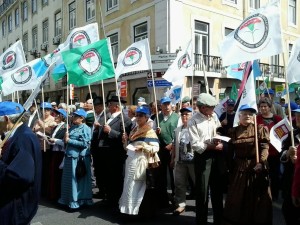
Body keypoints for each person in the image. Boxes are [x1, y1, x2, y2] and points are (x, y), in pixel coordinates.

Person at [223, 104, 272, 225]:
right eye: (244, 114)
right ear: (239, 116)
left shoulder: (260, 129)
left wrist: (261, 162)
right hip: (239, 167)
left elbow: (264, 147)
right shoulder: (233, 131)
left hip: (256, 166)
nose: (248, 116)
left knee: (258, 198)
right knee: (238, 197)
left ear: (254, 116)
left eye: (250, 114)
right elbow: (229, 152)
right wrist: (229, 168)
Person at [0, 101, 42, 225]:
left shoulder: (23, 138)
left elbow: (19, 176)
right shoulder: (21, 134)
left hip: (16, 207)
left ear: (6, 119)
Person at [188, 93, 225, 225]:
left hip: (217, 156)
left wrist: (218, 136)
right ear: (203, 108)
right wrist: (212, 147)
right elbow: (195, 144)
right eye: (211, 107)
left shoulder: (214, 116)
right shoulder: (193, 121)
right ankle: (201, 220)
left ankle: (219, 220)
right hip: (203, 157)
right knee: (202, 191)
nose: (214, 109)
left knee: (217, 190)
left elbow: (218, 129)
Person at [119, 105, 160, 215]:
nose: (138, 117)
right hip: (130, 159)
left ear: (146, 117)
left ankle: (136, 211)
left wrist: (143, 147)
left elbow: (156, 148)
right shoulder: (134, 130)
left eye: (141, 115)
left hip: (140, 161)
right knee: (128, 184)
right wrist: (125, 141)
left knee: (137, 185)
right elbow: (127, 147)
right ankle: (127, 209)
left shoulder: (150, 131)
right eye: (137, 115)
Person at [97, 95, 132, 206]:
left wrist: (110, 131)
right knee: (107, 176)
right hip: (105, 152)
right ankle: (109, 197)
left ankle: (116, 199)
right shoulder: (108, 117)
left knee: (116, 177)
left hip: (115, 153)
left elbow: (124, 137)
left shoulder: (124, 119)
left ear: (116, 106)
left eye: (110, 104)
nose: (108, 106)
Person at [58, 108, 93, 210]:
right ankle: (68, 199)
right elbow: (67, 142)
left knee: (77, 180)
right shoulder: (72, 127)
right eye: (74, 115)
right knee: (69, 180)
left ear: (82, 118)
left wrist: (69, 141)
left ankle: (78, 200)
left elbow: (84, 144)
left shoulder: (86, 128)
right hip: (69, 157)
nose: (74, 117)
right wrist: (65, 139)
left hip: (78, 158)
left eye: (76, 116)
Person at [154, 96, 179, 207]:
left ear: (171, 105)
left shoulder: (176, 117)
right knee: (161, 174)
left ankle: (175, 197)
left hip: (172, 148)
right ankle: (162, 197)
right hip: (161, 149)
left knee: (173, 173)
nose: (166, 107)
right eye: (164, 105)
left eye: (168, 104)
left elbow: (179, 132)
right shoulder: (157, 117)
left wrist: (172, 144)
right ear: (161, 106)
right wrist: (156, 131)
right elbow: (152, 132)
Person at [256, 97, 282, 200]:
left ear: (270, 107)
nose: (263, 108)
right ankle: (263, 194)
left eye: (265, 106)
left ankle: (274, 195)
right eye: (261, 107)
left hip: (275, 152)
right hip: (261, 152)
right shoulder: (256, 119)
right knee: (262, 174)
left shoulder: (277, 119)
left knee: (274, 175)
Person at [171, 107, 195, 215]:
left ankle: (201, 204)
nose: (184, 116)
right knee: (179, 184)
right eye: (183, 115)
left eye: (187, 114)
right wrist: (173, 159)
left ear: (192, 115)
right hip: (180, 161)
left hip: (194, 161)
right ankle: (181, 205)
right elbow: (174, 145)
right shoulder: (178, 130)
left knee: (198, 183)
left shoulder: (196, 128)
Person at [281, 108, 300, 225]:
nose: (297, 117)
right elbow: (282, 156)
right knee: (288, 211)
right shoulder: (292, 134)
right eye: (296, 115)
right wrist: (288, 154)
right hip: (292, 179)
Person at [90, 96, 111, 199]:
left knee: (103, 170)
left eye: (97, 106)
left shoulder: (107, 115)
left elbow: (107, 129)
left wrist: (100, 127)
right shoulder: (96, 115)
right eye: (94, 106)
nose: (95, 108)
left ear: (102, 106)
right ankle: (101, 189)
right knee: (97, 169)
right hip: (94, 146)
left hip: (102, 147)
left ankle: (105, 190)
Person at [47, 108, 68, 201]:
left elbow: (65, 142)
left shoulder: (66, 127)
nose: (54, 116)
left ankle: (58, 194)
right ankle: (53, 194)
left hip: (61, 153)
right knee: (53, 174)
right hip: (54, 152)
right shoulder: (55, 127)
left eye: (57, 115)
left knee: (58, 174)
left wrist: (54, 140)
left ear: (62, 117)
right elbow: (53, 139)